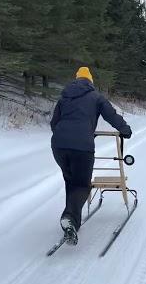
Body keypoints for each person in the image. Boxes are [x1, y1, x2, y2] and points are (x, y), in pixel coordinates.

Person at [50, 66, 132, 245]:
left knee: (71, 181)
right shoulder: (95, 97)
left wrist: (64, 135)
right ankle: (70, 217)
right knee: (82, 185)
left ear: (76, 79)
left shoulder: (64, 97)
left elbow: (54, 122)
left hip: (58, 146)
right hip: (82, 147)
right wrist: (124, 129)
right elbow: (111, 115)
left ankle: (72, 221)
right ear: (90, 81)